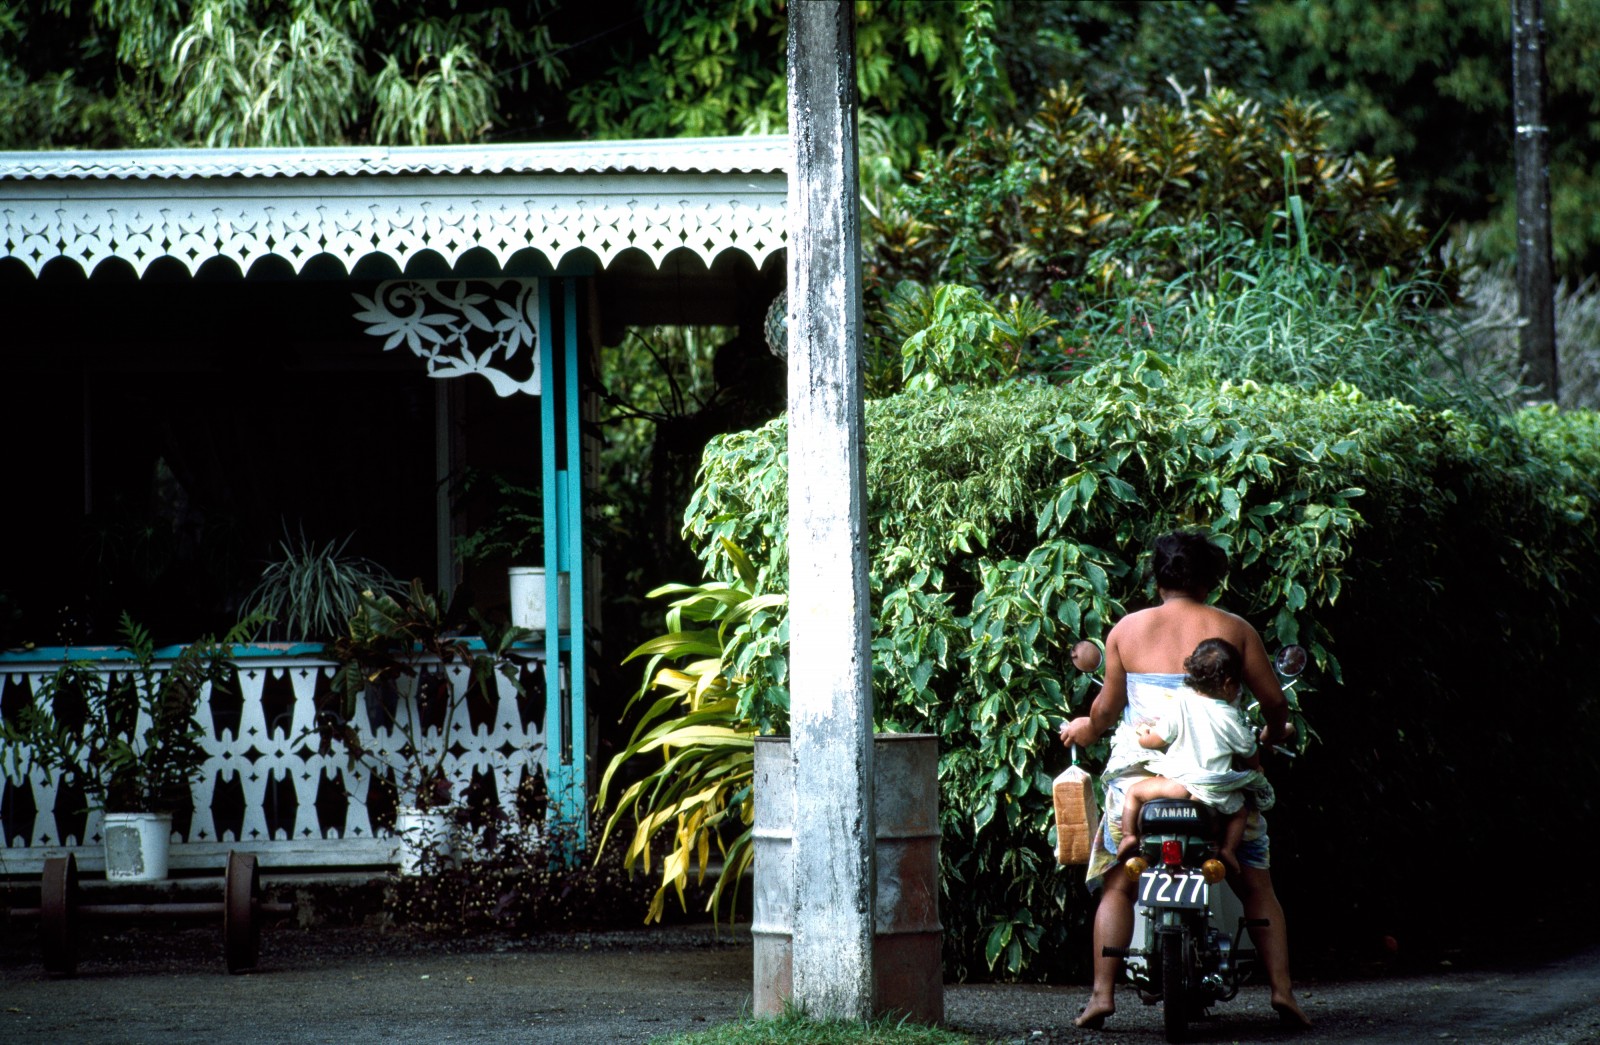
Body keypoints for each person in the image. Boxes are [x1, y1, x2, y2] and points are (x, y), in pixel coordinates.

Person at [1058, 530, 1311, 1031]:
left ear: (1157, 578)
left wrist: (1081, 730)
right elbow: (1276, 705)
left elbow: (1104, 714)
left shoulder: (1126, 631)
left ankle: (1101, 996)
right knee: (1257, 883)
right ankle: (1283, 991)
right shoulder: (1233, 629)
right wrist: (1265, 741)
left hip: (1142, 777)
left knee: (1116, 884)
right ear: (1211, 579)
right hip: (1218, 783)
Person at [1115, 637, 1274, 877]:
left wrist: (1142, 735)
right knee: (1240, 813)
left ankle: (1128, 836)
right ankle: (1228, 851)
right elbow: (1249, 753)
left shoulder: (1181, 702)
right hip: (1213, 794)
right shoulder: (1230, 718)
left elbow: (1157, 739)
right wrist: (1257, 766)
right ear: (1230, 684)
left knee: (1134, 793)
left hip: (1177, 784)